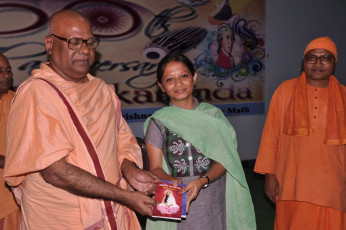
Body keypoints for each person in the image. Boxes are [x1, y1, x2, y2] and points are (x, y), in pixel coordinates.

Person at [4, 10, 158, 230]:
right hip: (59, 219)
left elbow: (122, 141)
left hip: (110, 212)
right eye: (74, 42)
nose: (84, 50)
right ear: (50, 44)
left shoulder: (102, 91)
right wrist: (124, 196)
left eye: (89, 42)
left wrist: (130, 171)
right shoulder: (36, 93)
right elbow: (56, 172)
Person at [144, 53, 256, 229]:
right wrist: (171, 180)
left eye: (184, 76)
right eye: (170, 79)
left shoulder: (213, 116)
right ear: (162, 87)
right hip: (176, 197)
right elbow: (156, 168)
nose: (178, 83)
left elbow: (226, 161)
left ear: (194, 77)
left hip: (213, 196)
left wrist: (203, 180)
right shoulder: (158, 121)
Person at [254, 37, 346, 229]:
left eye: (325, 58)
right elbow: (271, 135)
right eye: (311, 58)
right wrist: (269, 174)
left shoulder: (344, 96)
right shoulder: (284, 91)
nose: (318, 63)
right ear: (303, 61)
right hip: (291, 180)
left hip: (332, 183)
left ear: (334, 62)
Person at [0, 53, 20, 230]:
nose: (6, 75)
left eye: (7, 70)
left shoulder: (19, 101)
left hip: (13, 196)